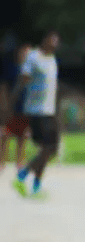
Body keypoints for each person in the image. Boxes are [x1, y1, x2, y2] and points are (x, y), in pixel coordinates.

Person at [9, 31, 61, 198]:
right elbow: (22, 79)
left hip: (49, 111)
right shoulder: (33, 57)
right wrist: (12, 103)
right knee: (47, 148)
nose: (55, 44)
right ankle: (22, 176)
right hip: (36, 111)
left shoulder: (52, 60)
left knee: (51, 150)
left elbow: (52, 87)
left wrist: (56, 110)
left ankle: (36, 186)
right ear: (45, 40)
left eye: (57, 42)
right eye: (52, 40)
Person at [1, 41, 32, 173]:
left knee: (23, 135)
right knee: (5, 135)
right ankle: (2, 161)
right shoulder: (11, 68)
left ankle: (20, 162)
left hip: (25, 107)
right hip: (11, 106)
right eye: (24, 52)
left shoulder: (31, 70)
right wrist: (4, 104)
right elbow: (3, 87)